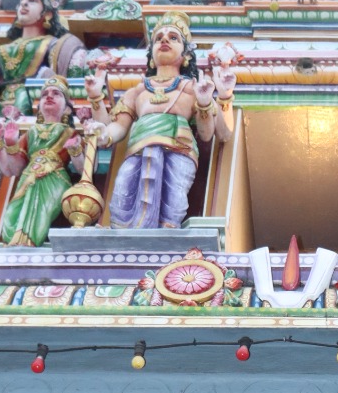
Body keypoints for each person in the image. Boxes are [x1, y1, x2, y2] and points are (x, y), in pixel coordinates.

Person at [84, 13, 234, 230]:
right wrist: (98, 107)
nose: (164, 40)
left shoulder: (192, 87)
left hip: (178, 150)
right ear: (152, 56)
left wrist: (204, 102)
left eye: (173, 38)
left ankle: (166, 237)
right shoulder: (138, 91)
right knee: (121, 198)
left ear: (186, 55)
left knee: (173, 203)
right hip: (137, 150)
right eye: (158, 38)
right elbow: (118, 126)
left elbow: (207, 134)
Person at [0, 77, 84, 247]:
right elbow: (13, 170)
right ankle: (14, 243)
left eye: (56, 94)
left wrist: (75, 149)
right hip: (27, 177)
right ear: (39, 107)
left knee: (41, 213)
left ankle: (29, 245)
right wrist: (10, 143)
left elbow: (84, 169)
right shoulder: (31, 133)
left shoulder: (69, 132)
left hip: (54, 178)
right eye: (44, 95)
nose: (49, 96)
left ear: (66, 109)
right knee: (13, 214)